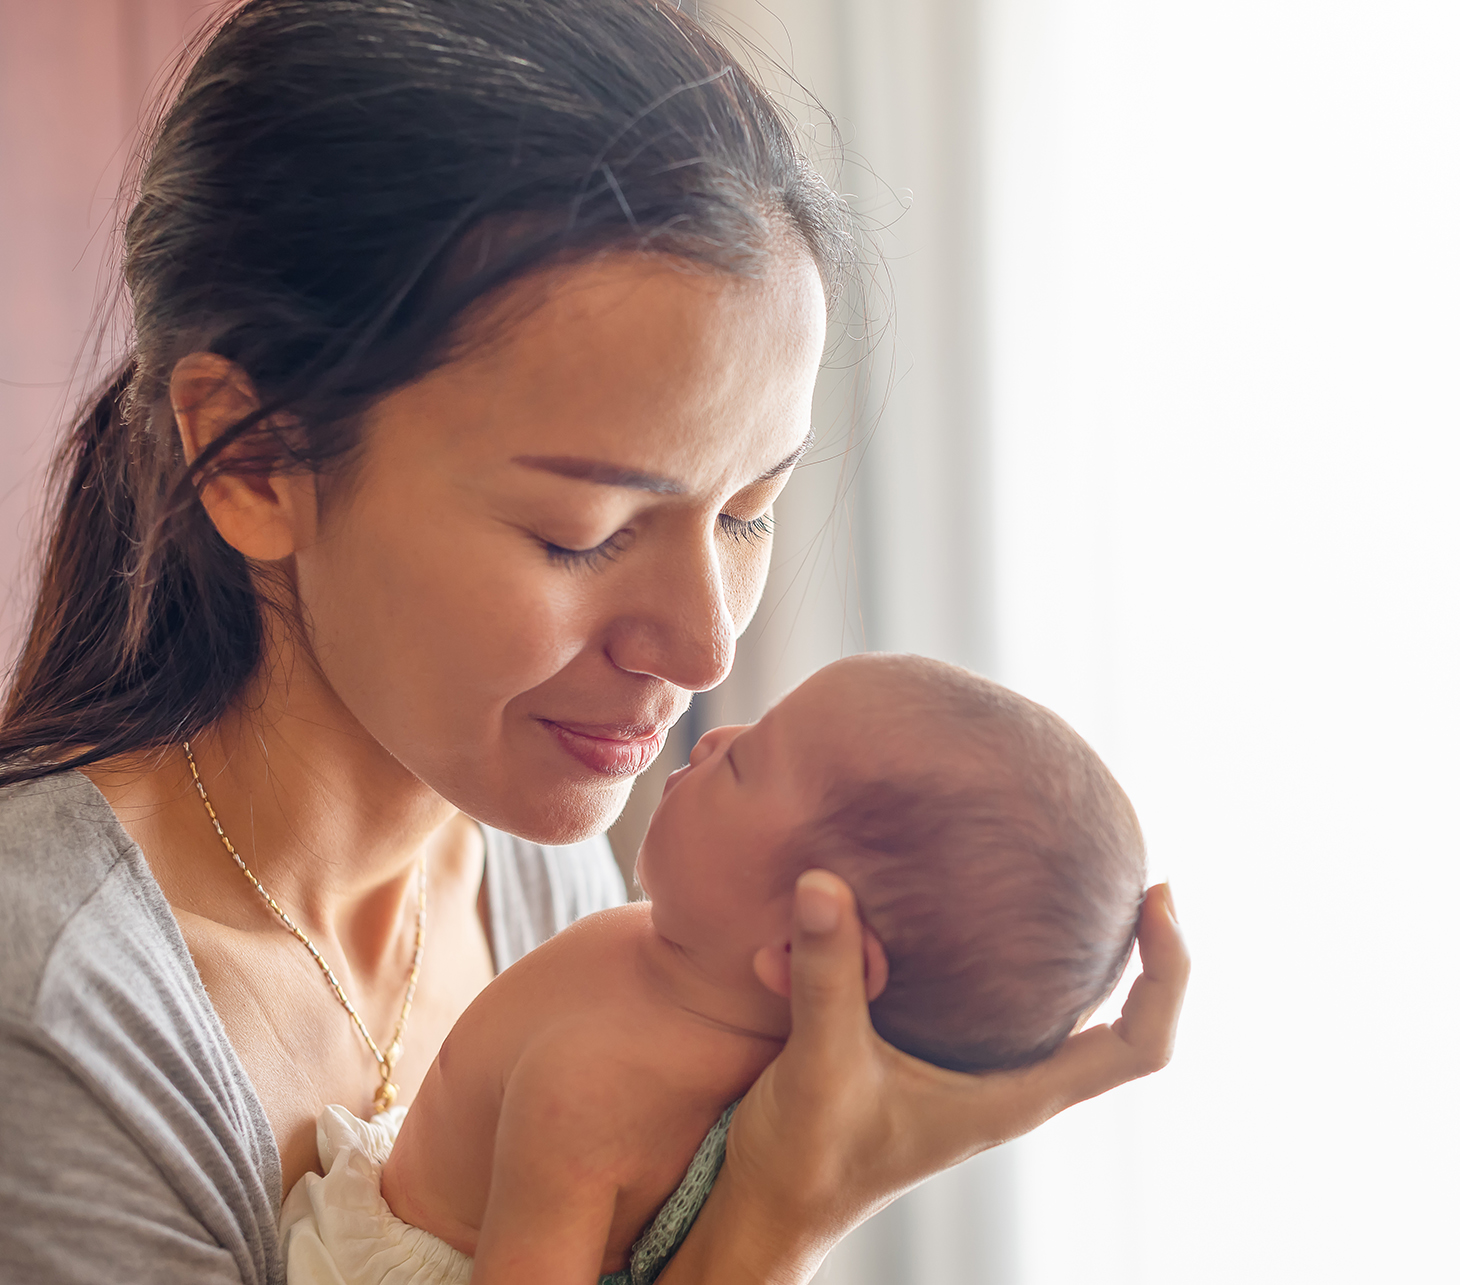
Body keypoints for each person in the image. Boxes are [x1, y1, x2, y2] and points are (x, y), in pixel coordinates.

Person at [0, 2, 1188, 1283]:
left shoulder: (538, 868)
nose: (701, 650)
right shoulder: (56, 1018)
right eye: (583, 532)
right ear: (257, 458)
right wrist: (777, 1217)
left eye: (747, 512)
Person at [281, 652, 1146, 1284]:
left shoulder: (595, 1085)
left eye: (744, 760)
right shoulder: (706, 989)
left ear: (809, 947)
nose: (714, 733)